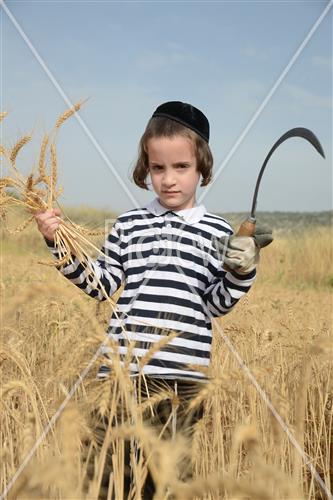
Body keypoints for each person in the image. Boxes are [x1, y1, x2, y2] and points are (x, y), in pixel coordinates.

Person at [34, 100, 272, 497]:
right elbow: (103, 284)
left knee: (165, 484)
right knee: (107, 481)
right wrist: (57, 241)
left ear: (202, 169)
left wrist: (241, 269)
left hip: (181, 383)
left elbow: (216, 303)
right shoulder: (129, 224)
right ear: (146, 167)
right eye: (158, 168)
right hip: (120, 377)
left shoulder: (216, 232)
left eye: (182, 168)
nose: (169, 179)